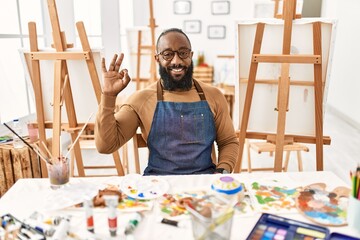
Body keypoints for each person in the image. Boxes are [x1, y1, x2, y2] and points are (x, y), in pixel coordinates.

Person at [95, 28, 239, 175]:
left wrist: (222, 172)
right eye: (168, 54)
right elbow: (105, 146)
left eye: (183, 53)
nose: (176, 61)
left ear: (191, 56)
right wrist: (108, 96)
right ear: (157, 58)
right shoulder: (141, 100)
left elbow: (228, 142)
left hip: (204, 184)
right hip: (157, 187)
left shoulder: (214, 95)